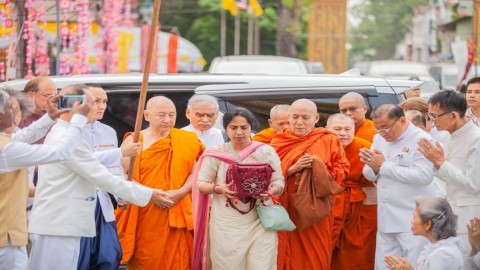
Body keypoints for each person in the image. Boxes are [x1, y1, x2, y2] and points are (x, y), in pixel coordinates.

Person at [27, 85, 168, 270]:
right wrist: (149, 194)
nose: (100, 108)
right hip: (61, 224)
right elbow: (101, 176)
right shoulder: (67, 137)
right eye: (93, 102)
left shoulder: (67, 132)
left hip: (63, 222)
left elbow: (109, 172)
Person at [0, 88, 90, 270]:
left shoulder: (6, 144)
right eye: (10, 109)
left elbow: (23, 136)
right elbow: (60, 153)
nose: (15, 113)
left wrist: (50, 116)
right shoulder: (6, 150)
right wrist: (79, 120)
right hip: (6, 235)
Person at [116, 96, 204, 270]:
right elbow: (122, 175)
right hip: (146, 211)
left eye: (172, 115)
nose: (167, 120)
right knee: (147, 258)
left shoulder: (186, 139)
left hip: (177, 206)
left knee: (181, 259)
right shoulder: (134, 141)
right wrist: (150, 195)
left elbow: (196, 172)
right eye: (161, 115)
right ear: (147, 115)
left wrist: (180, 192)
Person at [192, 107, 285, 269]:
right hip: (226, 223)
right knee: (228, 263)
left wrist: (270, 192)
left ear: (251, 128)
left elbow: (279, 182)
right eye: (233, 128)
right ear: (226, 128)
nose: (239, 132)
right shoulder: (217, 153)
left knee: (261, 264)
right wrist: (218, 188)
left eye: (244, 127)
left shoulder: (266, 151)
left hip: (260, 219)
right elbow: (201, 184)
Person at [271, 99, 350, 269]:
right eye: (295, 117)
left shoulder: (329, 139)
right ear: (289, 117)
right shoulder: (279, 140)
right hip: (287, 209)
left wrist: (318, 169)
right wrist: (293, 169)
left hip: (316, 209)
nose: (299, 122)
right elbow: (268, 174)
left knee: (315, 254)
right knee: (285, 253)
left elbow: (343, 170)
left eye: (305, 117)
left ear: (316, 118)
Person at [361, 104, 436, 270]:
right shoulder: (379, 138)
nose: (383, 133)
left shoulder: (422, 140)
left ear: (402, 120)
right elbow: (369, 172)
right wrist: (374, 166)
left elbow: (424, 176)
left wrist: (384, 165)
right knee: (384, 265)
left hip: (412, 218)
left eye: (386, 127)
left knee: (413, 264)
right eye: (377, 128)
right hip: (386, 217)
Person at [77, 84, 142, 270]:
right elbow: (83, 163)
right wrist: (120, 152)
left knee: (109, 255)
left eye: (104, 101)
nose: (102, 106)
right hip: (79, 203)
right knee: (80, 259)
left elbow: (114, 169)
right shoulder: (68, 131)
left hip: (104, 203)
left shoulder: (109, 131)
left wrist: (122, 194)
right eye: (96, 101)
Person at [417, 89, 480, 249]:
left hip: (470, 218)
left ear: (452, 116)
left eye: (434, 116)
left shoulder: (476, 139)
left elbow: (474, 184)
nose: (431, 121)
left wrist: (441, 163)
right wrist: (436, 163)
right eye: (429, 115)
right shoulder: (446, 135)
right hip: (450, 214)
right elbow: (445, 174)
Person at [326, 113, 377, 270]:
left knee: (358, 250)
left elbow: (374, 183)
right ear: (326, 130)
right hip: (328, 206)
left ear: (354, 130)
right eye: (337, 129)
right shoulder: (320, 146)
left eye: (348, 129)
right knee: (326, 248)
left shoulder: (365, 147)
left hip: (359, 208)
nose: (343, 133)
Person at [385, 197, 464, 270]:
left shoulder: (444, 255)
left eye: (414, 217)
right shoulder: (437, 248)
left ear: (428, 224)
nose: (411, 221)